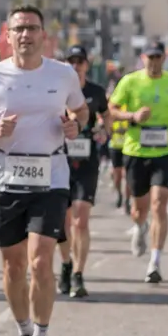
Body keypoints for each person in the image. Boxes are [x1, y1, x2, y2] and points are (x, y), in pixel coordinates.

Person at [0, 7, 88, 336]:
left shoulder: (62, 74)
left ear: (43, 35)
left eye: (32, 28)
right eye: (19, 29)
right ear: (8, 35)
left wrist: (75, 126)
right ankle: (23, 332)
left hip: (50, 177)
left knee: (40, 261)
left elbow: (81, 112)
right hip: (5, 179)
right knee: (13, 266)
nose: (25, 35)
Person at [108, 41, 168, 283]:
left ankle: (155, 261)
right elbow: (111, 108)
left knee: (159, 204)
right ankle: (140, 226)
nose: (153, 62)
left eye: (158, 57)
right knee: (140, 207)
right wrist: (132, 115)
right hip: (136, 150)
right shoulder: (130, 81)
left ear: (163, 58)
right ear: (143, 58)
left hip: (166, 149)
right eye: (150, 57)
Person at [58, 46, 109, 299]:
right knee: (63, 222)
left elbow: (106, 119)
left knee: (81, 219)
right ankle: (66, 263)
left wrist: (103, 129)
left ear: (86, 65)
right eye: (71, 61)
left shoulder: (96, 91)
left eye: (80, 62)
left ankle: (78, 272)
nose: (76, 66)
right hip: (60, 161)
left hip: (87, 161)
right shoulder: (56, 88)